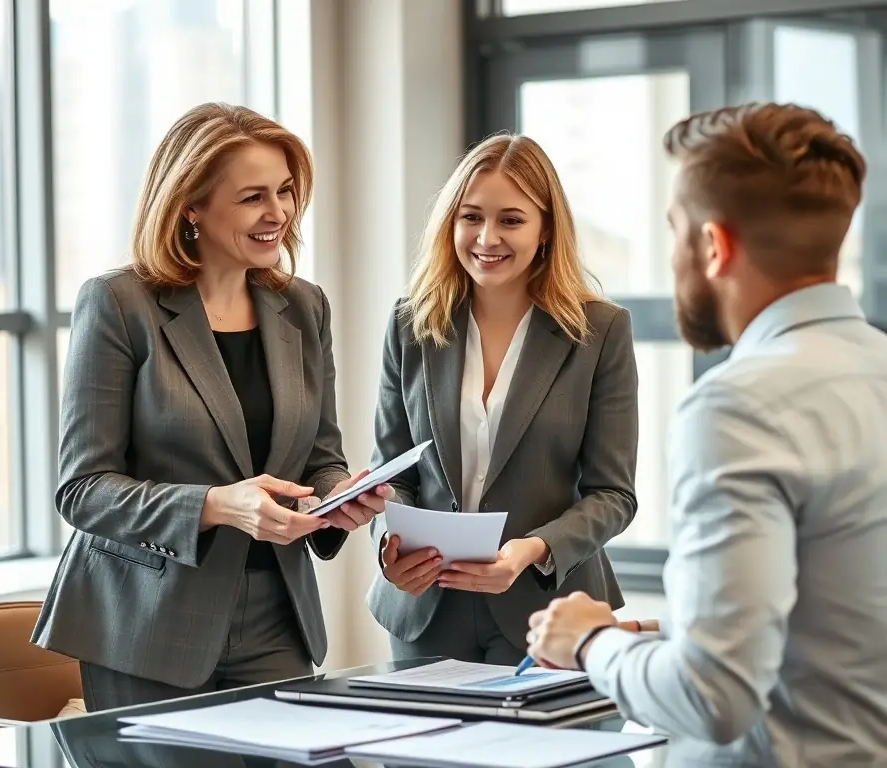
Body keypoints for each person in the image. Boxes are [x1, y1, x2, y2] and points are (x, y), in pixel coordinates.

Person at [526, 102, 887, 765]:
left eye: (674, 231)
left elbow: (712, 696)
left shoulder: (739, 407)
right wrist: (659, 633)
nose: (672, 257)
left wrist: (587, 642)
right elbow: (842, 614)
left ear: (715, 246)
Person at [32, 103, 388, 710]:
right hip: (148, 624)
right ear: (190, 205)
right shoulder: (120, 305)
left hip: (277, 616)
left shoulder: (304, 307)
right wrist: (218, 506)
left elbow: (320, 454)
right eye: (253, 197)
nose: (278, 213)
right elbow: (82, 489)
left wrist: (338, 499)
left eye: (285, 192)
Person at [365, 133, 639, 664]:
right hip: (425, 610)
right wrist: (388, 544)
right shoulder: (411, 325)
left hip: (546, 610)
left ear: (545, 231)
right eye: (471, 217)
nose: (487, 237)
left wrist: (530, 551)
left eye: (511, 220)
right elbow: (390, 474)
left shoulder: (600, 331)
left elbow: (614, 495)